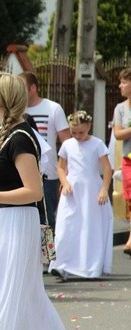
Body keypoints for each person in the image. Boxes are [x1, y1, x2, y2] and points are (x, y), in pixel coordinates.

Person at [0, 72, 63, 329]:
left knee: (7, 291)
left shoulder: (20, 138)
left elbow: (33, 191)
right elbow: (5, 178)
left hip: (15, 223)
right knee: (2, 290)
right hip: (1, 222)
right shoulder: (5, 133)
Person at [49, 110, 113, 281]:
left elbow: (107, 168)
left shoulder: (97, 144)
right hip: (71, 192)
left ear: (89, 127)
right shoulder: (67, 145)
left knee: (89, 228)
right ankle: (61, 264)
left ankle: (88, 265)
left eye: (81, 132)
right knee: (65, 226)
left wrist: (104, 189)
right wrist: (65, 182)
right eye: (74, 132)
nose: (77, 136)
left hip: (91, 191)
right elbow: (61, 167)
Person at [19, 71, 71, 231]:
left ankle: (53, 255)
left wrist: (66, 176)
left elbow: (67, 144)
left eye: (22, 87)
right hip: (22, 176)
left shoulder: (53, 108)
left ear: (33, 88)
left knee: (49, 223)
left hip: (48, 175)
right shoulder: (17, 111)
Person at [113, 67, 131, 255]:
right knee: (130, 198)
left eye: (124, 82)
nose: (120, 86)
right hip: (128, 158)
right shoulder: (120, 109)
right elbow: (118, 134)